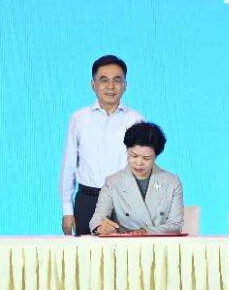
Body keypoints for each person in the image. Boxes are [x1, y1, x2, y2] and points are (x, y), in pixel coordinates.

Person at [59, 55, 144, 236]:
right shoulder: (79, 119)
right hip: (88, 201)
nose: (111, 86)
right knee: (86, 254)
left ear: (125, 85)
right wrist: (67, 210)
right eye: (104, 80)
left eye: (117, 80)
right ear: (93, 85)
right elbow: (69, 165)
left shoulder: (135, 120)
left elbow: (143, 167)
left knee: (127, 254)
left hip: (125, 202)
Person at [90, 123, 184, 235]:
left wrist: (146, 231)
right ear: (127, 150)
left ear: (156, 156)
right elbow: (98, 218)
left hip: (161, 243)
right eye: (133, 156)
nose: (139, 163)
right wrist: (100, 227)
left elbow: (176, 225)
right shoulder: (113, 182)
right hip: (125, 243)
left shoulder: (172, 182)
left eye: (146, 158)